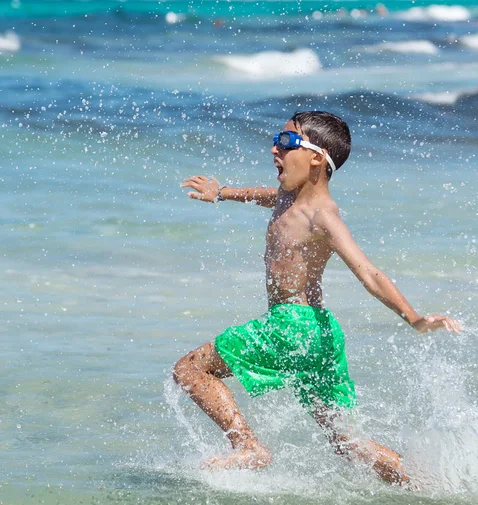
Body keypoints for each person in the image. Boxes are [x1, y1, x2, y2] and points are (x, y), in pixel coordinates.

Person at [173, 111, 461, 485]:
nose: (275, 147)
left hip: (291, 326)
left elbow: (368, 272)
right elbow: (269, 197)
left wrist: (415, 319)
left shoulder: (323, 215)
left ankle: (247, 447)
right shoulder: (289, 199)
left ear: (316, 157)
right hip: (322, 336)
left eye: (287, 141)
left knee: (190, 369)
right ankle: (430, 487)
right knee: (348, 444)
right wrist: (224, 193)